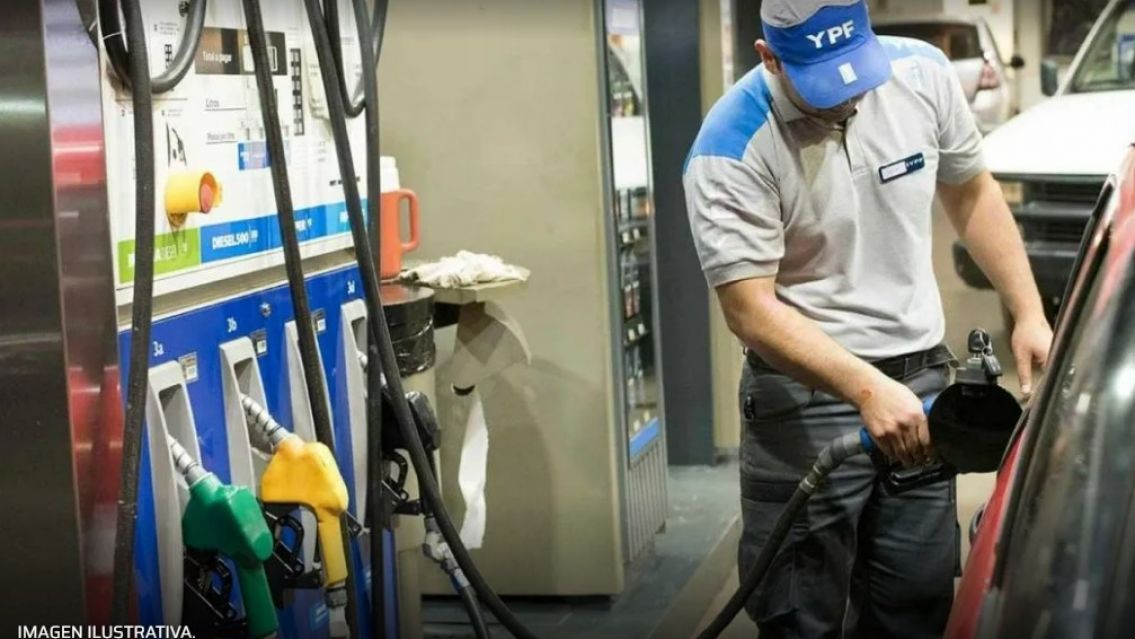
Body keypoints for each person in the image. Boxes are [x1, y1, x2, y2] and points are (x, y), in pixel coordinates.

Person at [682, 0, 1052, 636]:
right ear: (770, 57)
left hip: (921, 377)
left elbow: (970, 188)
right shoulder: (729, 147)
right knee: (800, 609)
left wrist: (1027, 310)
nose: (850, 98)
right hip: (802, 395)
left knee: (916, 601)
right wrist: (863, 387)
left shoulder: (923, 74)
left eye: (858, 70)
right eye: (828, 83)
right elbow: (750, 309)